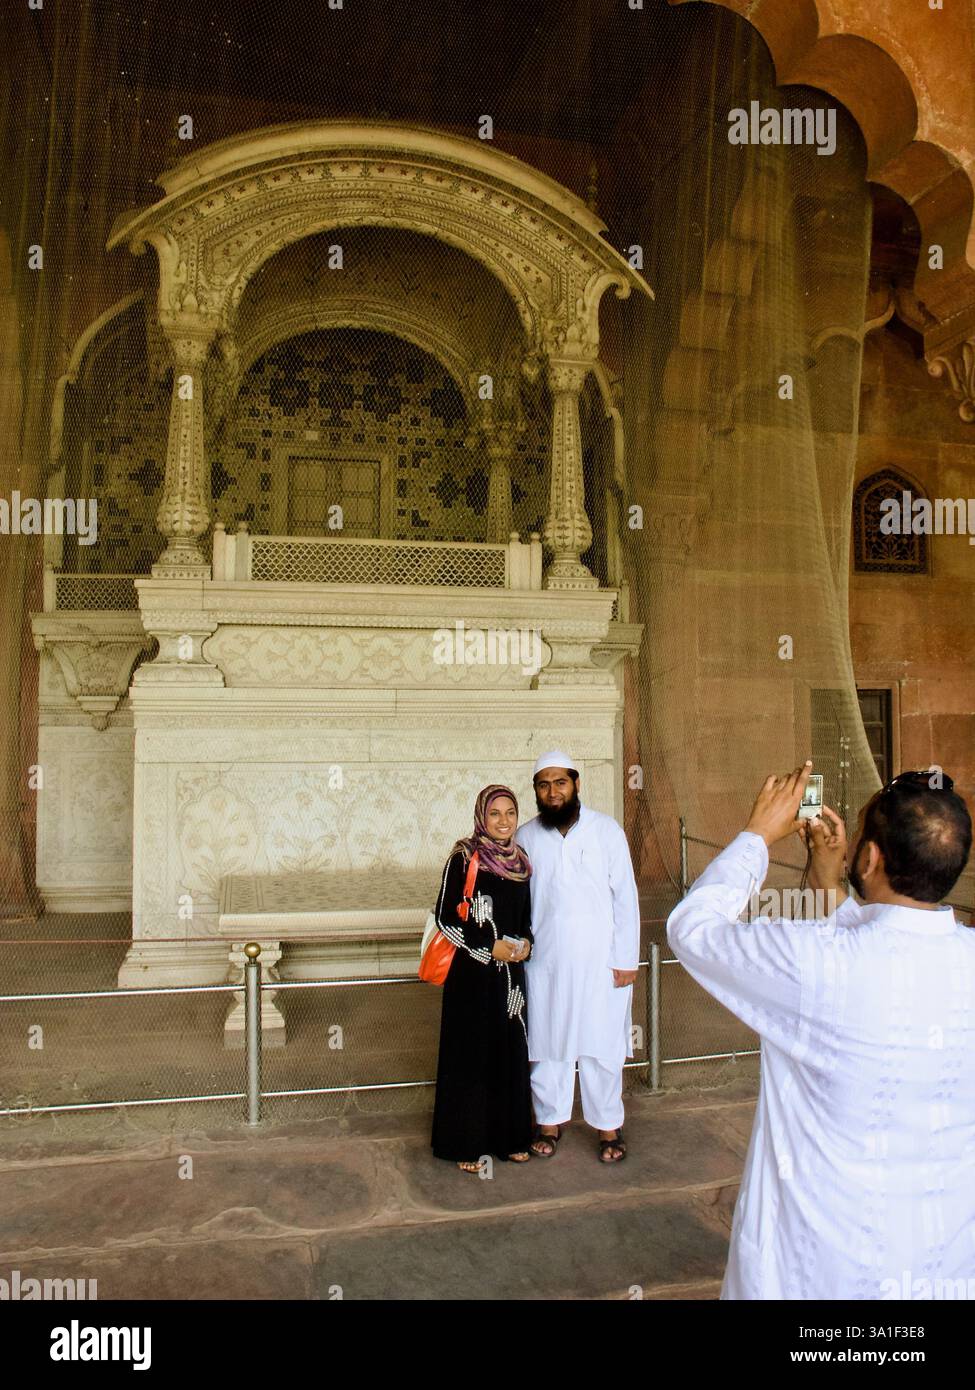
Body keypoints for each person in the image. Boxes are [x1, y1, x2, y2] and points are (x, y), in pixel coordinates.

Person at [667, 761, 975, 1300]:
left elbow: (693, 931)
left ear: (873, 857)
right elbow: (868, 947)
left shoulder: (817, 963)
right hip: (940, 1265)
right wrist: (826, 881)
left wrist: (756, 837)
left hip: (819, 1273)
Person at [515, 751, 641, 1163]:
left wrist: (626, 958)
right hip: (545, 964)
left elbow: (626, 897)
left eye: (560, 783)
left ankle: (608, 1127)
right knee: (548, 1047)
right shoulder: (526, 837)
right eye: (543, 785)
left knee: (601, 1047)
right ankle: (548, 1123)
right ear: (536, 790)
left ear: (576, 784)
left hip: (601, 963)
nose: (552, 792)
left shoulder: (606, 831)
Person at [431, 783, 535, 1173]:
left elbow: (527, 919)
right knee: (470, 1055)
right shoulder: (464, 857)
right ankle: (466, 1144)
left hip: (510, 980)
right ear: (481, 816)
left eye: (510, 813)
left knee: (509, 1052)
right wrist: (488, 947)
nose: (504, 821)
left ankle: (511, 1139)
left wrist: (526, 943)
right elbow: (445, 915)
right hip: (472, 977)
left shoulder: (522, 863)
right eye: (495, 814)